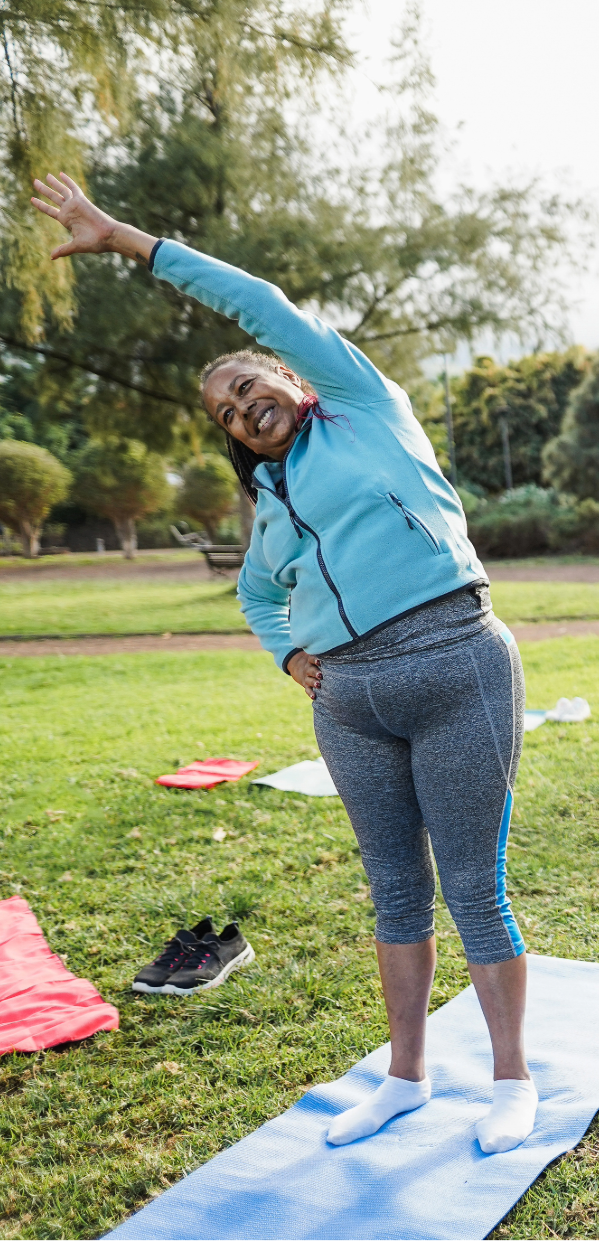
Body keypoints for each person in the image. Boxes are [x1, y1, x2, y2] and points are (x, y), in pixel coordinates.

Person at [31, 174, 540, 1154]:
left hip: (455, 666)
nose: (239, 405)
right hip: (350, 703)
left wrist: (127, 241)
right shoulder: (271, 506)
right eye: (225, 410)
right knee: (394, 888)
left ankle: (510, 1077)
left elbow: (257, 304)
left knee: (473, 886)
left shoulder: (364, 406)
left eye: (247, 385)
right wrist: (288, 652)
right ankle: (404, 1076)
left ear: (296, 378)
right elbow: (258, 592)